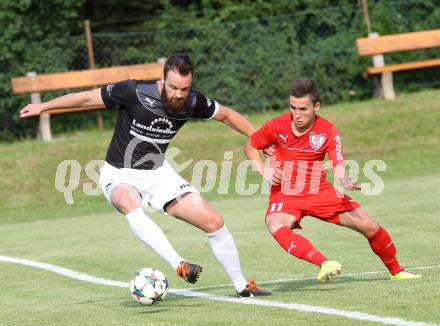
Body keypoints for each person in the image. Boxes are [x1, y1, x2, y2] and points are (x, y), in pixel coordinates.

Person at [20, 53, 271, 297]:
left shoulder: (193, 102)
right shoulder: (134, 92)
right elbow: (87, 99)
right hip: (119, 175)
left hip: (159, 174)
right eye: (173, 87)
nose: (178, 94)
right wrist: (44, 106)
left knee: (214, 222)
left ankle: (242, 286)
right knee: (129, 202)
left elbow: (226, 115)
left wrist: (260, 137)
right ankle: (179, 264)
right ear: (162, 80)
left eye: (184, 89)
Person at [244, 79, 421, 282]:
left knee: (370, 226)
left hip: (319, 191)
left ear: (316, 106)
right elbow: (250, 145)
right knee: (274, 224)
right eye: (292, 107)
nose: (297, 114)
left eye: (303, 108)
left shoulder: (328, 130)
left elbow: (338, 163)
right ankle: (324, 263)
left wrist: (342, 178)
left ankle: (397, 271)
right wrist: (263, 171)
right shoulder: (276, 125)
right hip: (286, 193)